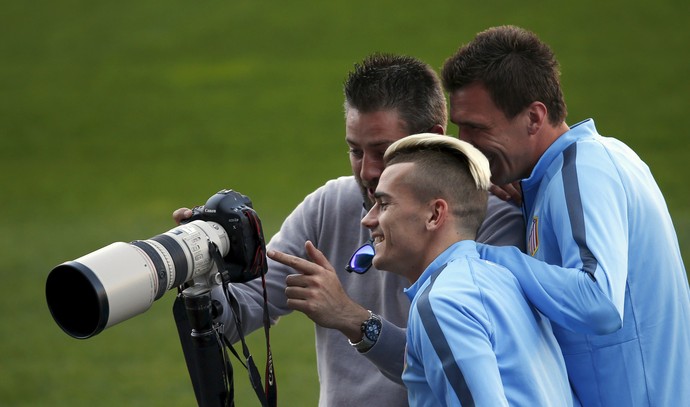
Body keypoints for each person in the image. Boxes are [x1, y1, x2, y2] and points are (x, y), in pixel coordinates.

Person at [174, 54, 525, 406]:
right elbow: (237, 317)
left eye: (383, 151)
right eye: (355, 151)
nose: (368, 171)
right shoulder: (329, 206)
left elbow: (462, 368)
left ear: (432, 139)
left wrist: (351, 318)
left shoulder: (491, 223)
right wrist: (204, 272)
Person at [440, 25, 690, 406]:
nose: (464, 142)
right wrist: (529, 195)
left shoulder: (583, 170)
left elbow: (599, 303)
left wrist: (485, 257)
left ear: (534, 118)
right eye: (459, 126)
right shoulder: (566, 174)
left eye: (476, 127)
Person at [350, 133, 574, 405]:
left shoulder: (442, 302)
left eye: (384, 204)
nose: (368, 219)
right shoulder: (503, 281)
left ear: (434, 215)